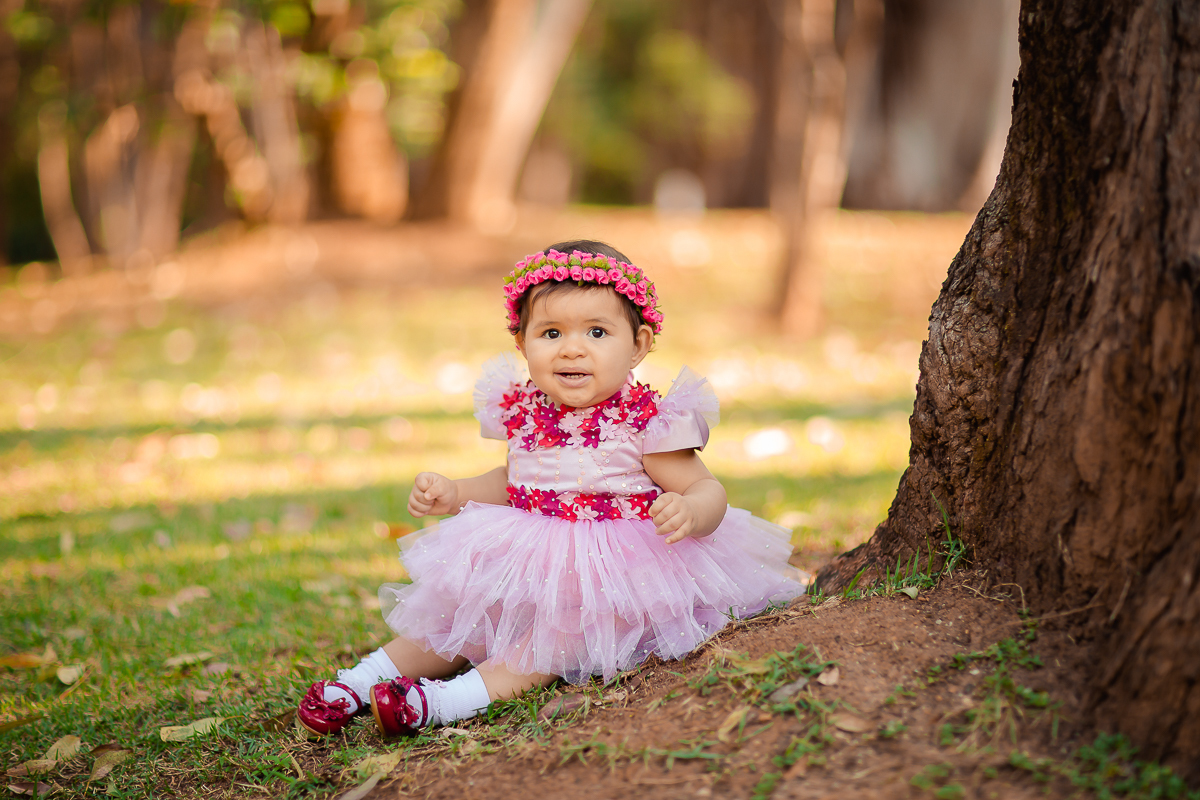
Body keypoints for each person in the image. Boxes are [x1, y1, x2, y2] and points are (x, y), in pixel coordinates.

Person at [297, 240, 806, 737]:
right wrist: (455, 493)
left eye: (598, 332)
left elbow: (706, 487)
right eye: (552, 332)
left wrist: (691, 511)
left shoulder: (646, 424)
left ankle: (444, 702)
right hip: (527, 557)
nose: (573, 347)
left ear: (639, 345)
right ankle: (359, 682)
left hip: (612, 574)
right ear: (522, 343)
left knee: (552, 642)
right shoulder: (524, 414)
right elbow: (512, 481)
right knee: (454, 613)